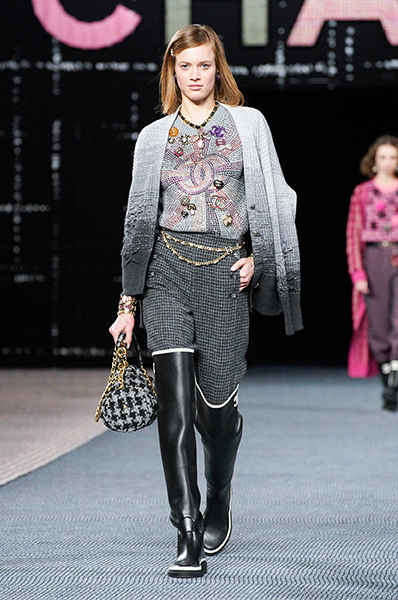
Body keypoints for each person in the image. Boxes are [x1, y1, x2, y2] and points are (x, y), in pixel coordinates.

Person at [109, 24, 302, 578]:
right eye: (184, 66)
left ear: (218, 69)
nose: (194, 75)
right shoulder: (153, 136)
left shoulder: (248, 124)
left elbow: (276, 198)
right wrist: (127, 304)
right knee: (174, 408)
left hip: (224, 274)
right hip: (166, 270)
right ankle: (187, 529)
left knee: (215, 411)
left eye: (203, 65)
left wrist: (260, 257)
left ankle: (219, 494)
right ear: (172, 72)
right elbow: (138, 220)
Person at [346, 134, 398, 411]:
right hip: (374, 258)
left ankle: (394, 381)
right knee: (378, 324)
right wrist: (357, 273)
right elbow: (353, 235)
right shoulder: (363, 192)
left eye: (393, 157)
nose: (388, 162)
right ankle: (388, 379)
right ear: (375, 160)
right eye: (383, 157)